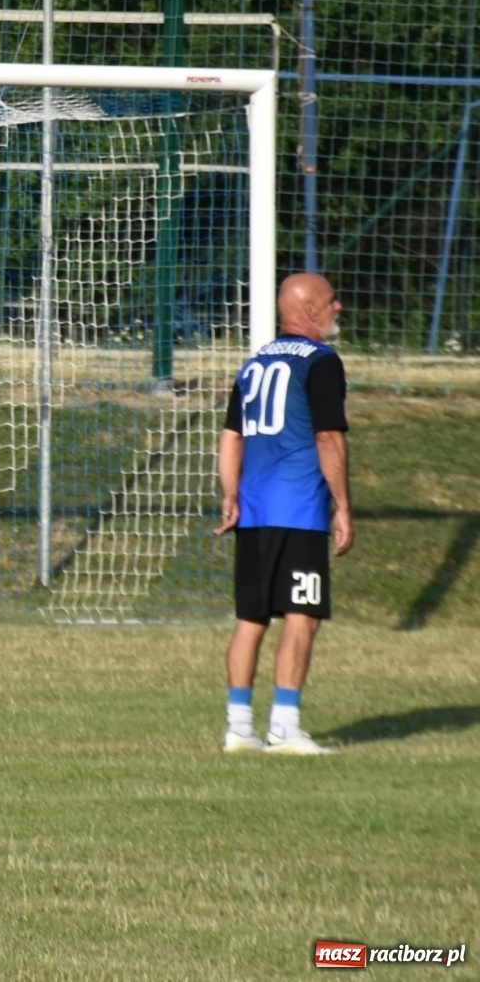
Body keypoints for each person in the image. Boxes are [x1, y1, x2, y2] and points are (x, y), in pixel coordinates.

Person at [215, 271, 353, 756]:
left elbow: (232, 436)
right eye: (331, 301)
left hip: (254, 511)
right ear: (310, 309)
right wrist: (343, 505)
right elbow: (328, 437)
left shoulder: (254, 364)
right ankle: (285, 727)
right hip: (298, 510)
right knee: (303, 614)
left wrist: (230, 493)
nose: (338, 307)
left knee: (252, 618)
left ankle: (238, 727)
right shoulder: (321, 361)